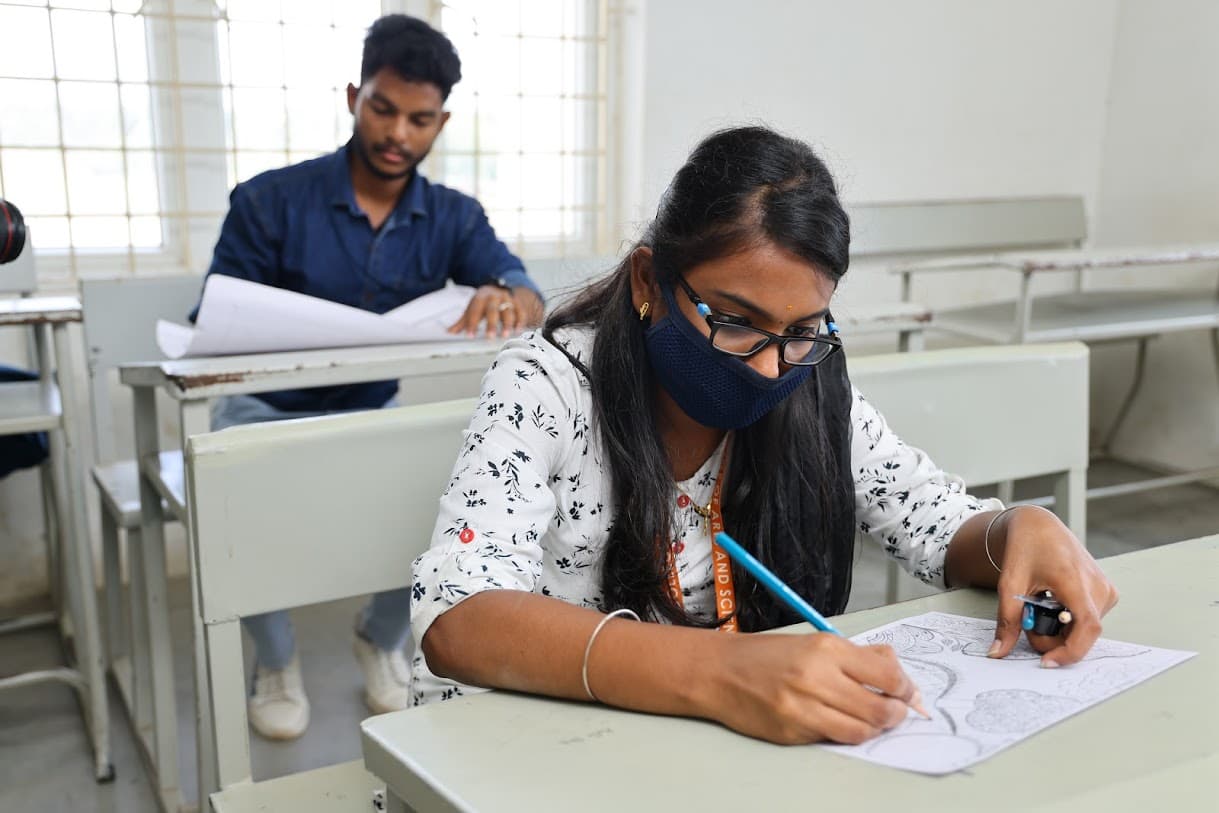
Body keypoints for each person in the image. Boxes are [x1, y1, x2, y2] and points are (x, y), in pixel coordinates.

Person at [408, 125, 1118, 744]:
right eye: (736, 318)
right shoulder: (548, 385)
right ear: (649, 280)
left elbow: (931, 519)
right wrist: (722, 671)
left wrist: (1015, 530)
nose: (772, 362)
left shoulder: (810, 385)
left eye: (802, 330)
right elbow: (459, 619)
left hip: (695, 745)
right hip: (532, 743)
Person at [193, 14, 545, 741]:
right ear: (354, 96)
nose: (397, 134)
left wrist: (508, 291)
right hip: (266, 409)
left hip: (367, 409)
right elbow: (217, 319)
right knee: (241, 479)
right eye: (382, 108)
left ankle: (381, 635)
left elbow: (522, 286)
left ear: (440, 122)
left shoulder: (452, 215)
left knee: (438, 475)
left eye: (419, 119)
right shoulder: (267, 200)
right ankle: (276, 656)